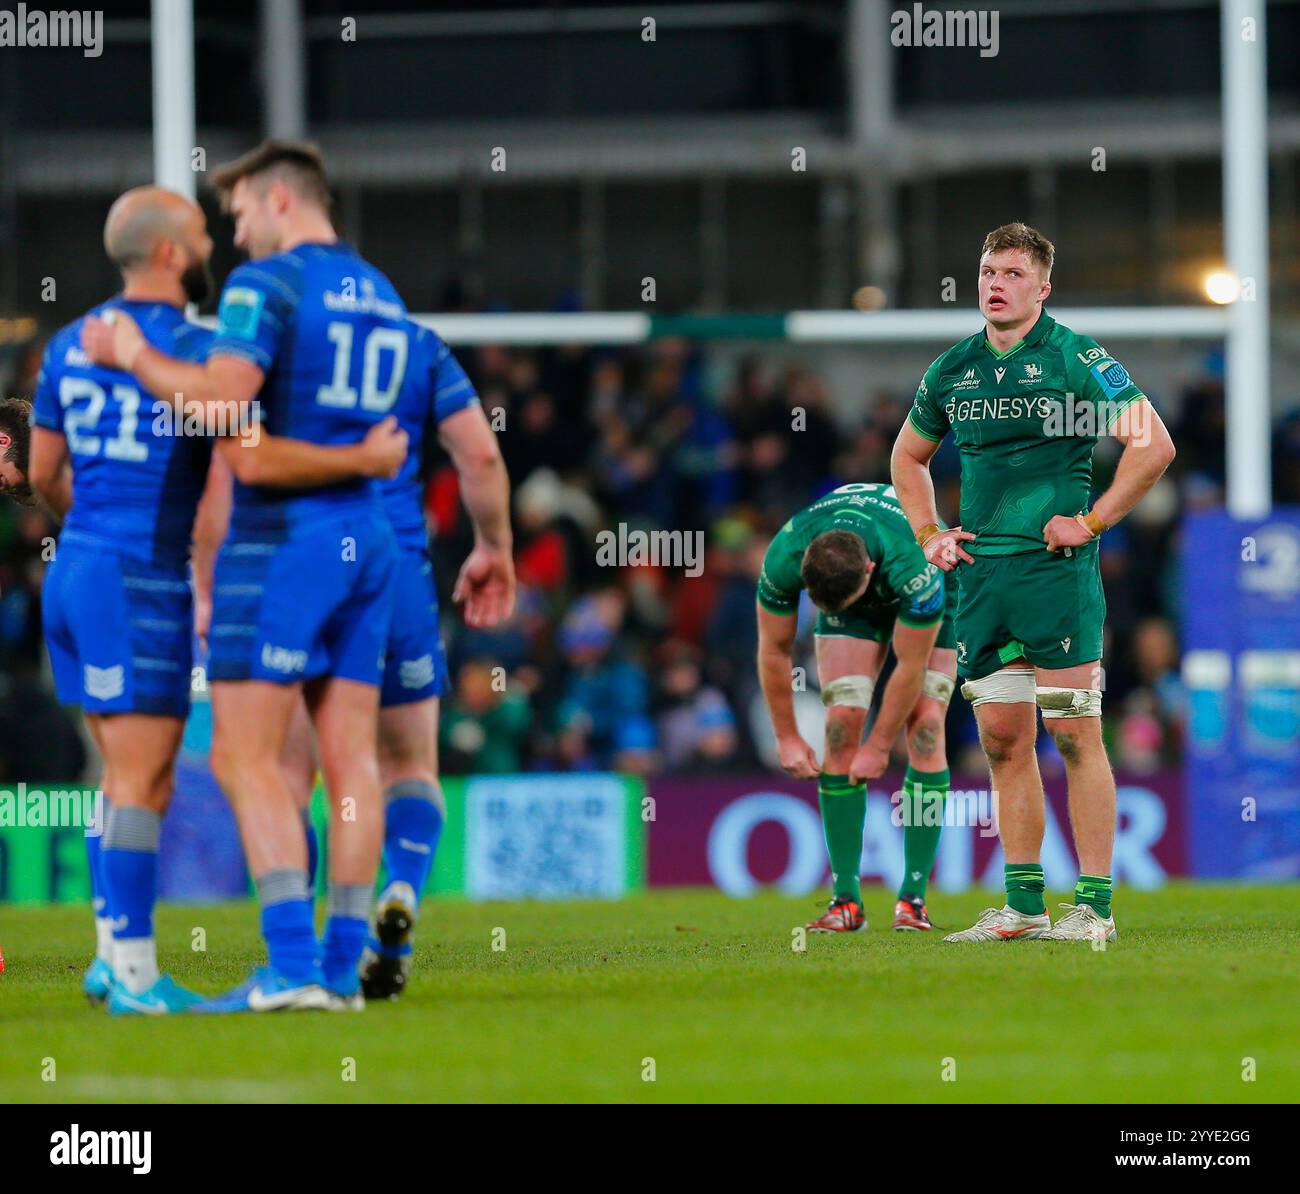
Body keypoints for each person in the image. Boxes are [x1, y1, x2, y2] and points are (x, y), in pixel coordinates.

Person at [28, 185, 402, 1015]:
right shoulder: (203, 355)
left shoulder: (66, 344)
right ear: (169, 254)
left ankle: (106, 956)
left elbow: (43, 474)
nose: (214, 246)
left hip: (77, 573)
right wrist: (362, 463)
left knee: (119, 773)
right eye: (202, 234)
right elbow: (247, 469)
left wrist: (88, 533)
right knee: (141, 778)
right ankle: (132, 975)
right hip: (140, 578)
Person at [891, 222, 1176, 943]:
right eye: (989, 270)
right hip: (984, 580)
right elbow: (908, 458)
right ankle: (1022, 906)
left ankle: (1095, 909)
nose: (996, 283)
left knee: (1076, 736)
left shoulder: (1076, 358)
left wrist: (1094, 519)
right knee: (1002, 743)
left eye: (1014, 274)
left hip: (1056, 576)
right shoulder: (953, 369)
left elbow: (1154, 444)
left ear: (1042, 288)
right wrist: (930, 534)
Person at [756, 482, 958, 932]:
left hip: (932, 579)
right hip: (851, 600)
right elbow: (773, 650)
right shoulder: (786, 555)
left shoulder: (915, 565)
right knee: (840, 727)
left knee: (925, 724)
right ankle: (845, 901)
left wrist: (881, 745)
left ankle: (913, 898)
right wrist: (786, 737)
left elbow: (911, 664)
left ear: (868, 569)